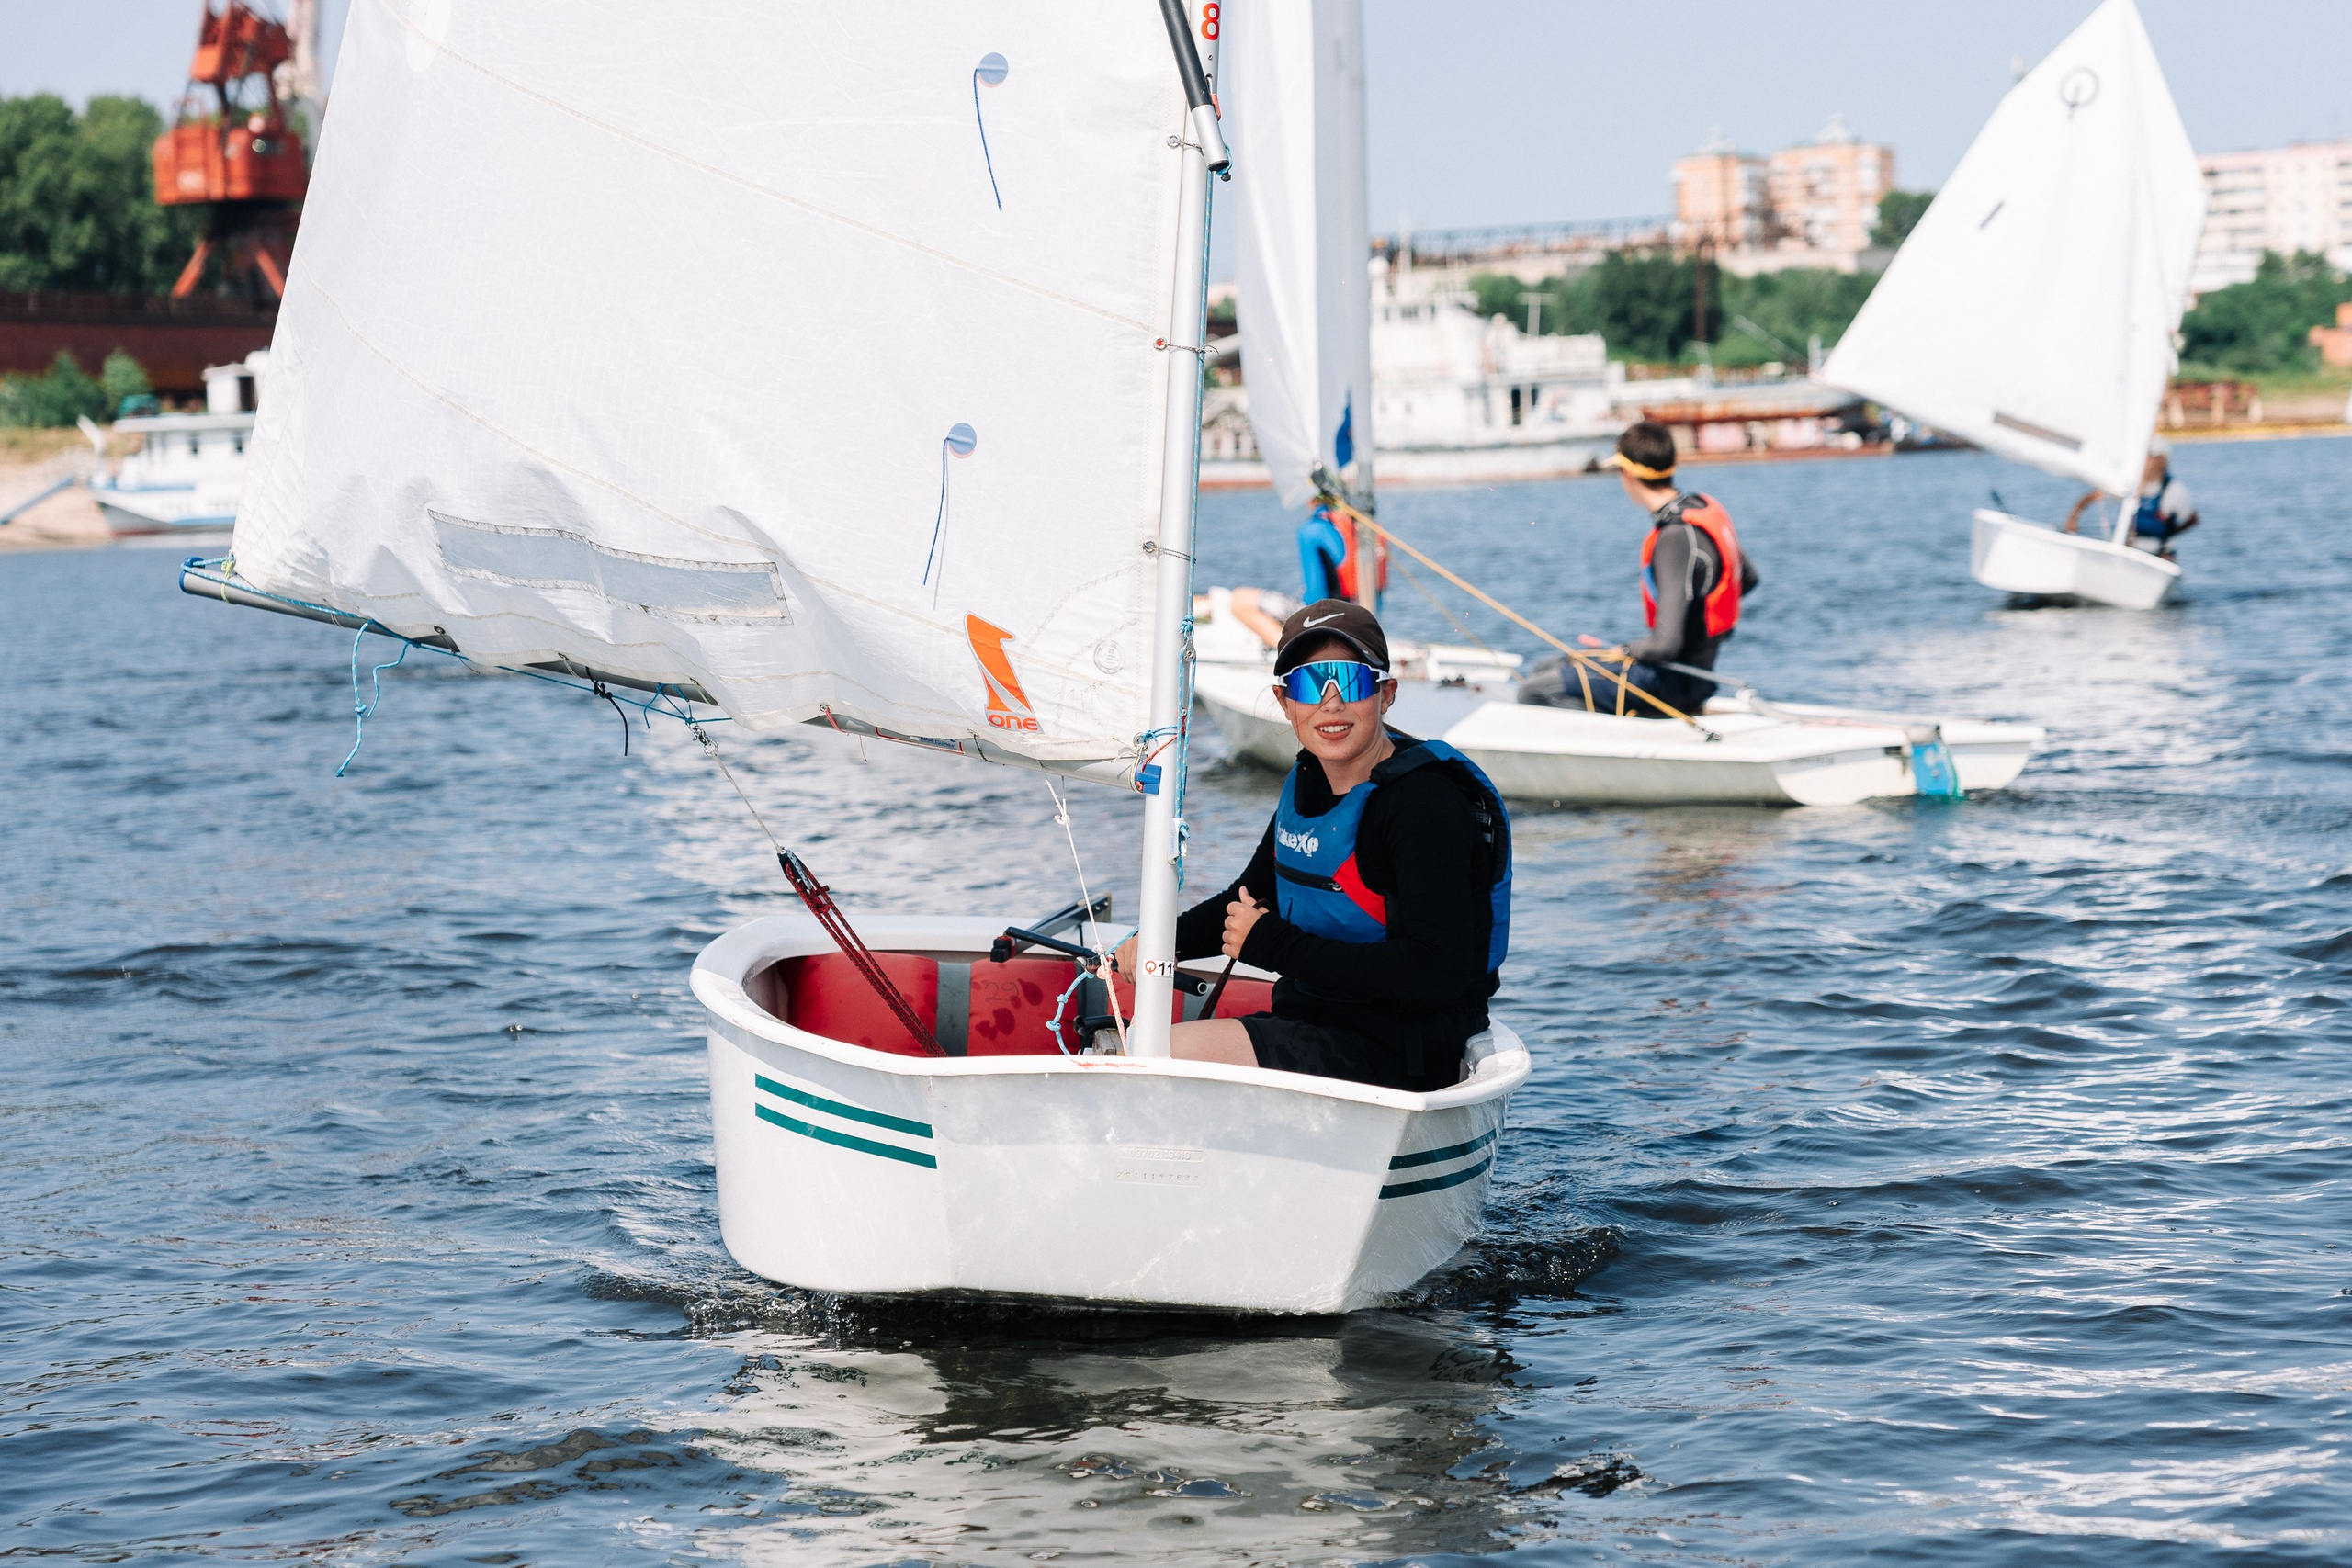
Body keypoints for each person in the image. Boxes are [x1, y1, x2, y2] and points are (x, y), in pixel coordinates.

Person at [1114, 600, 1510, 1092]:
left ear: (1385, 694)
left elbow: (1437, 971)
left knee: (1153, 1054)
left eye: (1350, 680)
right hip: (1316, 1022)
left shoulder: (1425, 804)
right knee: (1132, 1041)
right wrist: (1157, 940)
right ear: (1285, 701)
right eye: (1307, 684)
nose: (1331, 702)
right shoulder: (1309, 779)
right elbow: (1251, 899)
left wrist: (1273, 945)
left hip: (1401, 1050)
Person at [1519, 420, 1759, 718]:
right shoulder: (1699, 507)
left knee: (1534, 690)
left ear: (1628, 474)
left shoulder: (1674, 538)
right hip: (1695, 675)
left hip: (1670, 684)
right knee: (1546, 668)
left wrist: (1628, 650)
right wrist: (1700, 629)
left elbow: (1665, 646)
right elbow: (1748, 578)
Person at [2064, 438, 2199, 559]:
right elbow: (2092, 496)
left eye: (2149, 457)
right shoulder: (2129, 485)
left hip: (2159, 554)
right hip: (2131, 551)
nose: (2144, 462)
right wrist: (2073, 518)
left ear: (2161, 461)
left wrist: (2169, 532)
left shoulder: (2174, 491)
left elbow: (2193, 519)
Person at [1296, 502, 1385, 611]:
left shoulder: (1312, 529)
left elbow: (1315, 590)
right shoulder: (1366, 523)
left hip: (1335, 609)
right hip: (1368, 610)